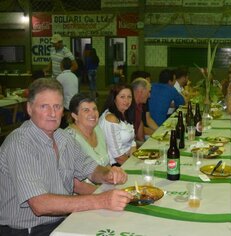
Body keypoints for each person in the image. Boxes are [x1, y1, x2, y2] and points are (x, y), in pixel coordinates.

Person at [0, 78, 132, 236]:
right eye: (44, 106)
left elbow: (90, 169)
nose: (52, 113)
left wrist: (109, 174)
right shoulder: (20, 143)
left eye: (57, 106)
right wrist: (102, 200)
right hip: (28, 230)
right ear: (29, 108)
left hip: (61, 220)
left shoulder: (63, 137)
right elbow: (40, 205)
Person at [66, 93, 110, 167]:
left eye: (94, 109)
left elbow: (107, 163)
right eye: (86, 110)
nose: (92, 114)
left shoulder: (97, 129)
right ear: (75, 116)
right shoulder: (69, 138)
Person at [99, 84, 136, 166]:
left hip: (126, 159)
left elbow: (132, 142)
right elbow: (118, 156)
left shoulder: (125, 113)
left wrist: (135, 159)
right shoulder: (111, 119)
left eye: (129, 97)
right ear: (114, 99)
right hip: (114, 165)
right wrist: (134, 166)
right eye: (122, 97)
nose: (126, 100)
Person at [130, 71, 158, 137]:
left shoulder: (141, 103)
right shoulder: (128, 105)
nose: (150, 95)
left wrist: (160, 132)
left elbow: (145, 120)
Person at [56, 57, 79, 128]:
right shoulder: (74, 76)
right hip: (75, 104)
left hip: (66, 107)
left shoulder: (60, 77)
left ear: (61, 66)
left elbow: (56, 92)